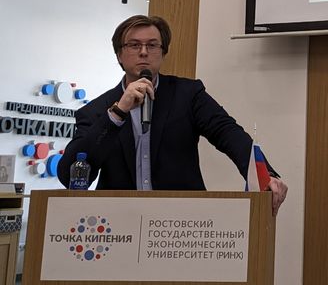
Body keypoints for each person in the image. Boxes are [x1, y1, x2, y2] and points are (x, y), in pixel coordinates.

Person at [57, 15, 288, 216]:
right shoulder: (97, 110)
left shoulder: (188, 94)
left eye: (152, 45)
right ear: (119, 55)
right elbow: (69, 175)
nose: (144, 52)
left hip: (179, 224)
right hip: (119, 224)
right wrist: (118, 113)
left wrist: (264, 175)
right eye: (134, 45)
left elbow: (227, 132)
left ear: (163, 53)